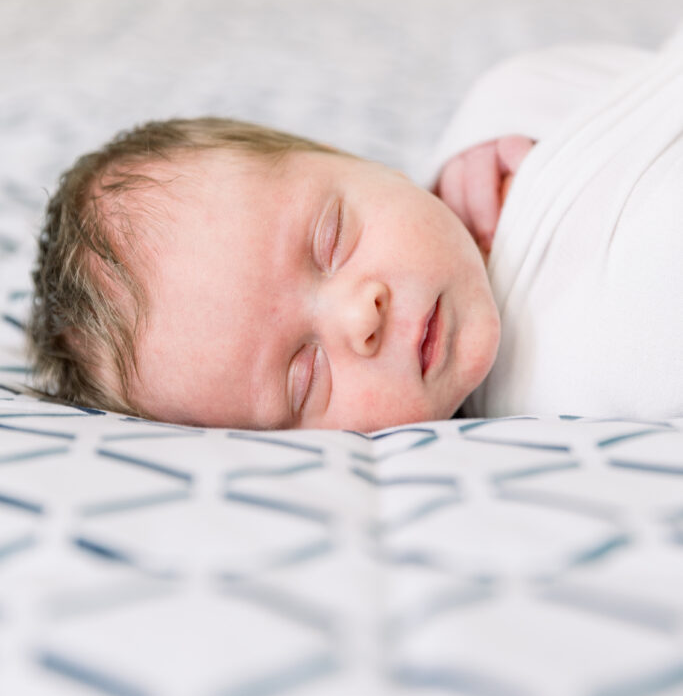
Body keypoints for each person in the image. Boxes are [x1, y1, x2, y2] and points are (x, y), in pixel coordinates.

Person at [28, 22, 683, 429]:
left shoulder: (495, 146)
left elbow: (614, 78)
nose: (359, 317)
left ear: (363, 165)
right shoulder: (558, 389)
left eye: (330, 238)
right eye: (303, 375)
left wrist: (481, 130)